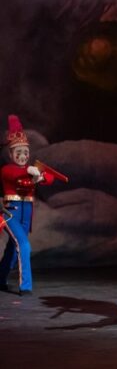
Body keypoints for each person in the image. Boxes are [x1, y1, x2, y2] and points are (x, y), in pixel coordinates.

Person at [0, 115, 54, 295]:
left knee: (12, 251)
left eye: (25, 152)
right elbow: (16, 176)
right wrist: (31, 173)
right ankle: (26, 286)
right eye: (18, 153)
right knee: (24, 245)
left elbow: (49, 178)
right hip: (11, 213)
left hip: (26, 215)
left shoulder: (31, 170)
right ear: (10, 154)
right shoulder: (7, 169)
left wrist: (41, 176)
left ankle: (0, 278)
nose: (23, 156)